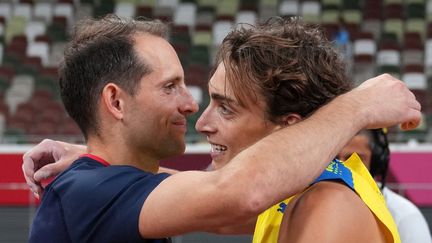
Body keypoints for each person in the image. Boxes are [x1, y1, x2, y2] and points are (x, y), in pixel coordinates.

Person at [24, 15, 421, 242]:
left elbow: (230, 202)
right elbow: (229, 198)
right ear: (114, 102)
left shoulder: (324, 204)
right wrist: (357, 105)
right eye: (170, 86)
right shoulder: (88, 189)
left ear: (290, 127)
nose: (198, 114)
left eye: (226, 108)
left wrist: (356, 107)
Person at [337, 129, 432, 243]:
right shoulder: (314, 202)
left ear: (376, 162)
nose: (340, 167)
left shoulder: (405, 217)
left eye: (355, 159)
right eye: (332, 159)